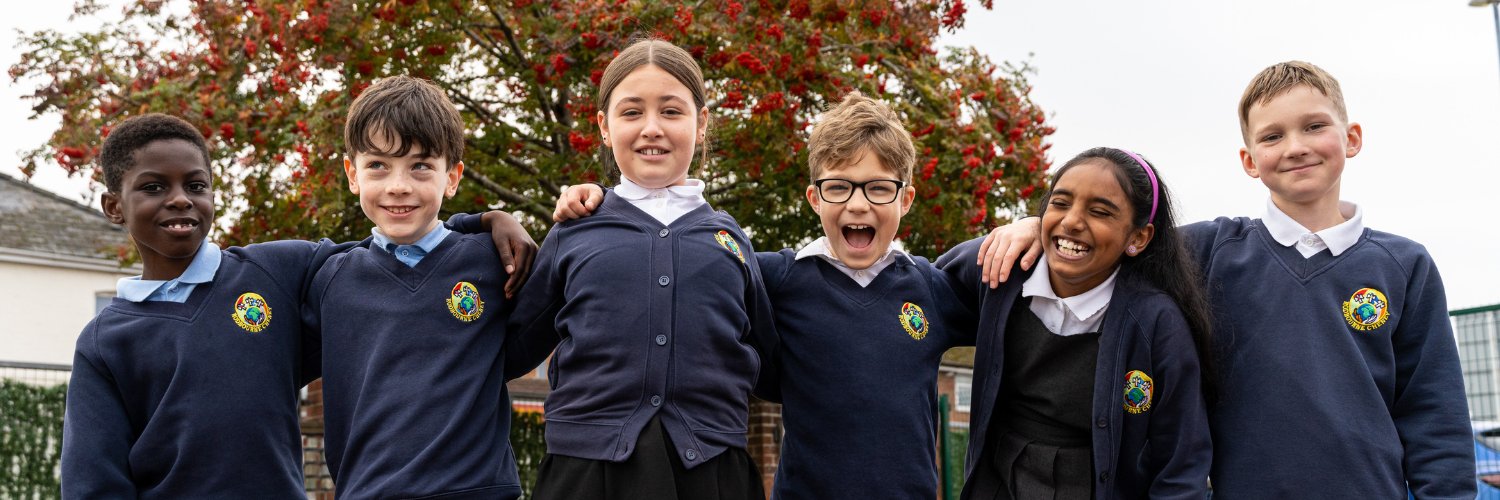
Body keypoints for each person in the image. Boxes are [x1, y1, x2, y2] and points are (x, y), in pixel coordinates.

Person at [975, 61, 1474, 498]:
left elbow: (1435, 416)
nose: (1295, 147)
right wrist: (1031, 226)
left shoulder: (1405, 265)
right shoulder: (1206, 251)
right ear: (1249, 161)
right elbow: (1109, 239)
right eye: (1273, 136)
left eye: (1314, 126)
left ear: (1352, 138)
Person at [59, 112, 534, 497]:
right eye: (154, 187)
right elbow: (93, 481)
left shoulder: (276, 271)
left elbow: (395, 250)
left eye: (196, 185)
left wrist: (486, 221)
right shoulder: (106, 340)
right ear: (113, 206)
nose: (180, 199)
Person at [554, 90, 979, 499]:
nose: (858, 205)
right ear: (815, 197)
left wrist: (1021, 230)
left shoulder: (928, 289)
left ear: (906, 199)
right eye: (839, 187)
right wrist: (604, 201)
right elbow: (683, 264)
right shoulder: (780, 276)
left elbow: (1004, 293)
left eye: (879, 188)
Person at [504, 38, 776, 500]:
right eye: (631, 113)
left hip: (714, 473)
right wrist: (490, 221)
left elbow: (773, 365)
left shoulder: (731, 241)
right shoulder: (574, 231)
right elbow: (505, 351)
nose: (651, 128)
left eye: (671, 111)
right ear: (604, 128)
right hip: (585, 474)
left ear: (702, 123)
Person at [304, 75, 533, 499]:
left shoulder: (494, 260)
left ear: (453, 176)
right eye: (378, 165)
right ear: (352, 174)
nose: (398, 186)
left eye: (421, 166)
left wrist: (491, 218)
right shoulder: (329, 280)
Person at [940, 147, 1213, 499]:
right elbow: (917, 300)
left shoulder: (1156, 323)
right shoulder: (999, 268)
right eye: (1060, 203)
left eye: (1100, 212)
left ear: (1137, 238)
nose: (1072, 221)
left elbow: (1181, 461)